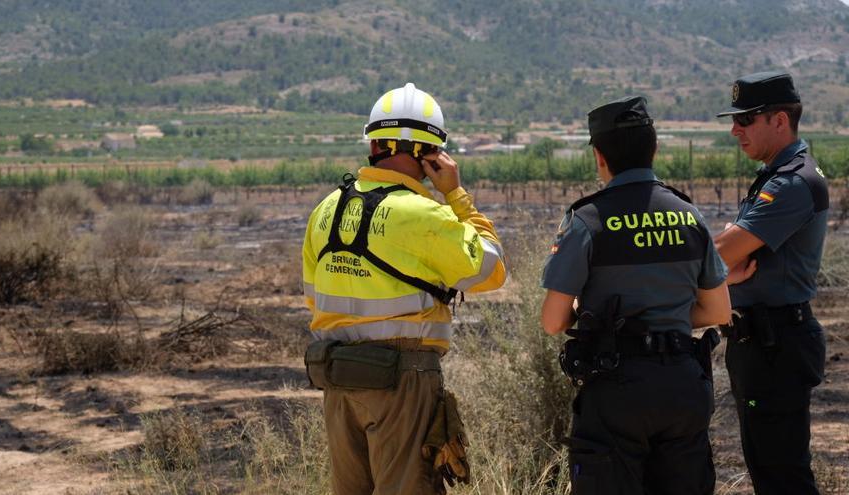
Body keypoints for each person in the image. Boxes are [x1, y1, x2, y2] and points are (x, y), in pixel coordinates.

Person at [301, 82, 507, 495]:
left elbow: (313, 296)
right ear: (423, 152)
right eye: (434, 151)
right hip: (403, 381)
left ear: (375, 143)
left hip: (339, 380)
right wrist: (455, 194)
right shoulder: (422, 214)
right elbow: (492, 268)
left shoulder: (325, 210)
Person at [540, 96, 731, 495]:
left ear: (599, 156)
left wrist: (591, 311)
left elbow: (553, 321)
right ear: (654, 150)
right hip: (683, 383)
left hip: (617, 387)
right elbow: (717, 309)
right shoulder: (687, 214)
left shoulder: (587, 220)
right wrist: (669, 314)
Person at [714, 71, 828, 495]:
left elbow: (722, 252)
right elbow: (728, 256)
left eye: (747, 119)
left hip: (775, 343)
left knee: (782, 476)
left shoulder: (792, 182)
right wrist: (726, 262)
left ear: (779, 121)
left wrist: (722, 259)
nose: (735, 129)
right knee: (769, 470)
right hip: (761, 342)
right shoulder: (776, 175)